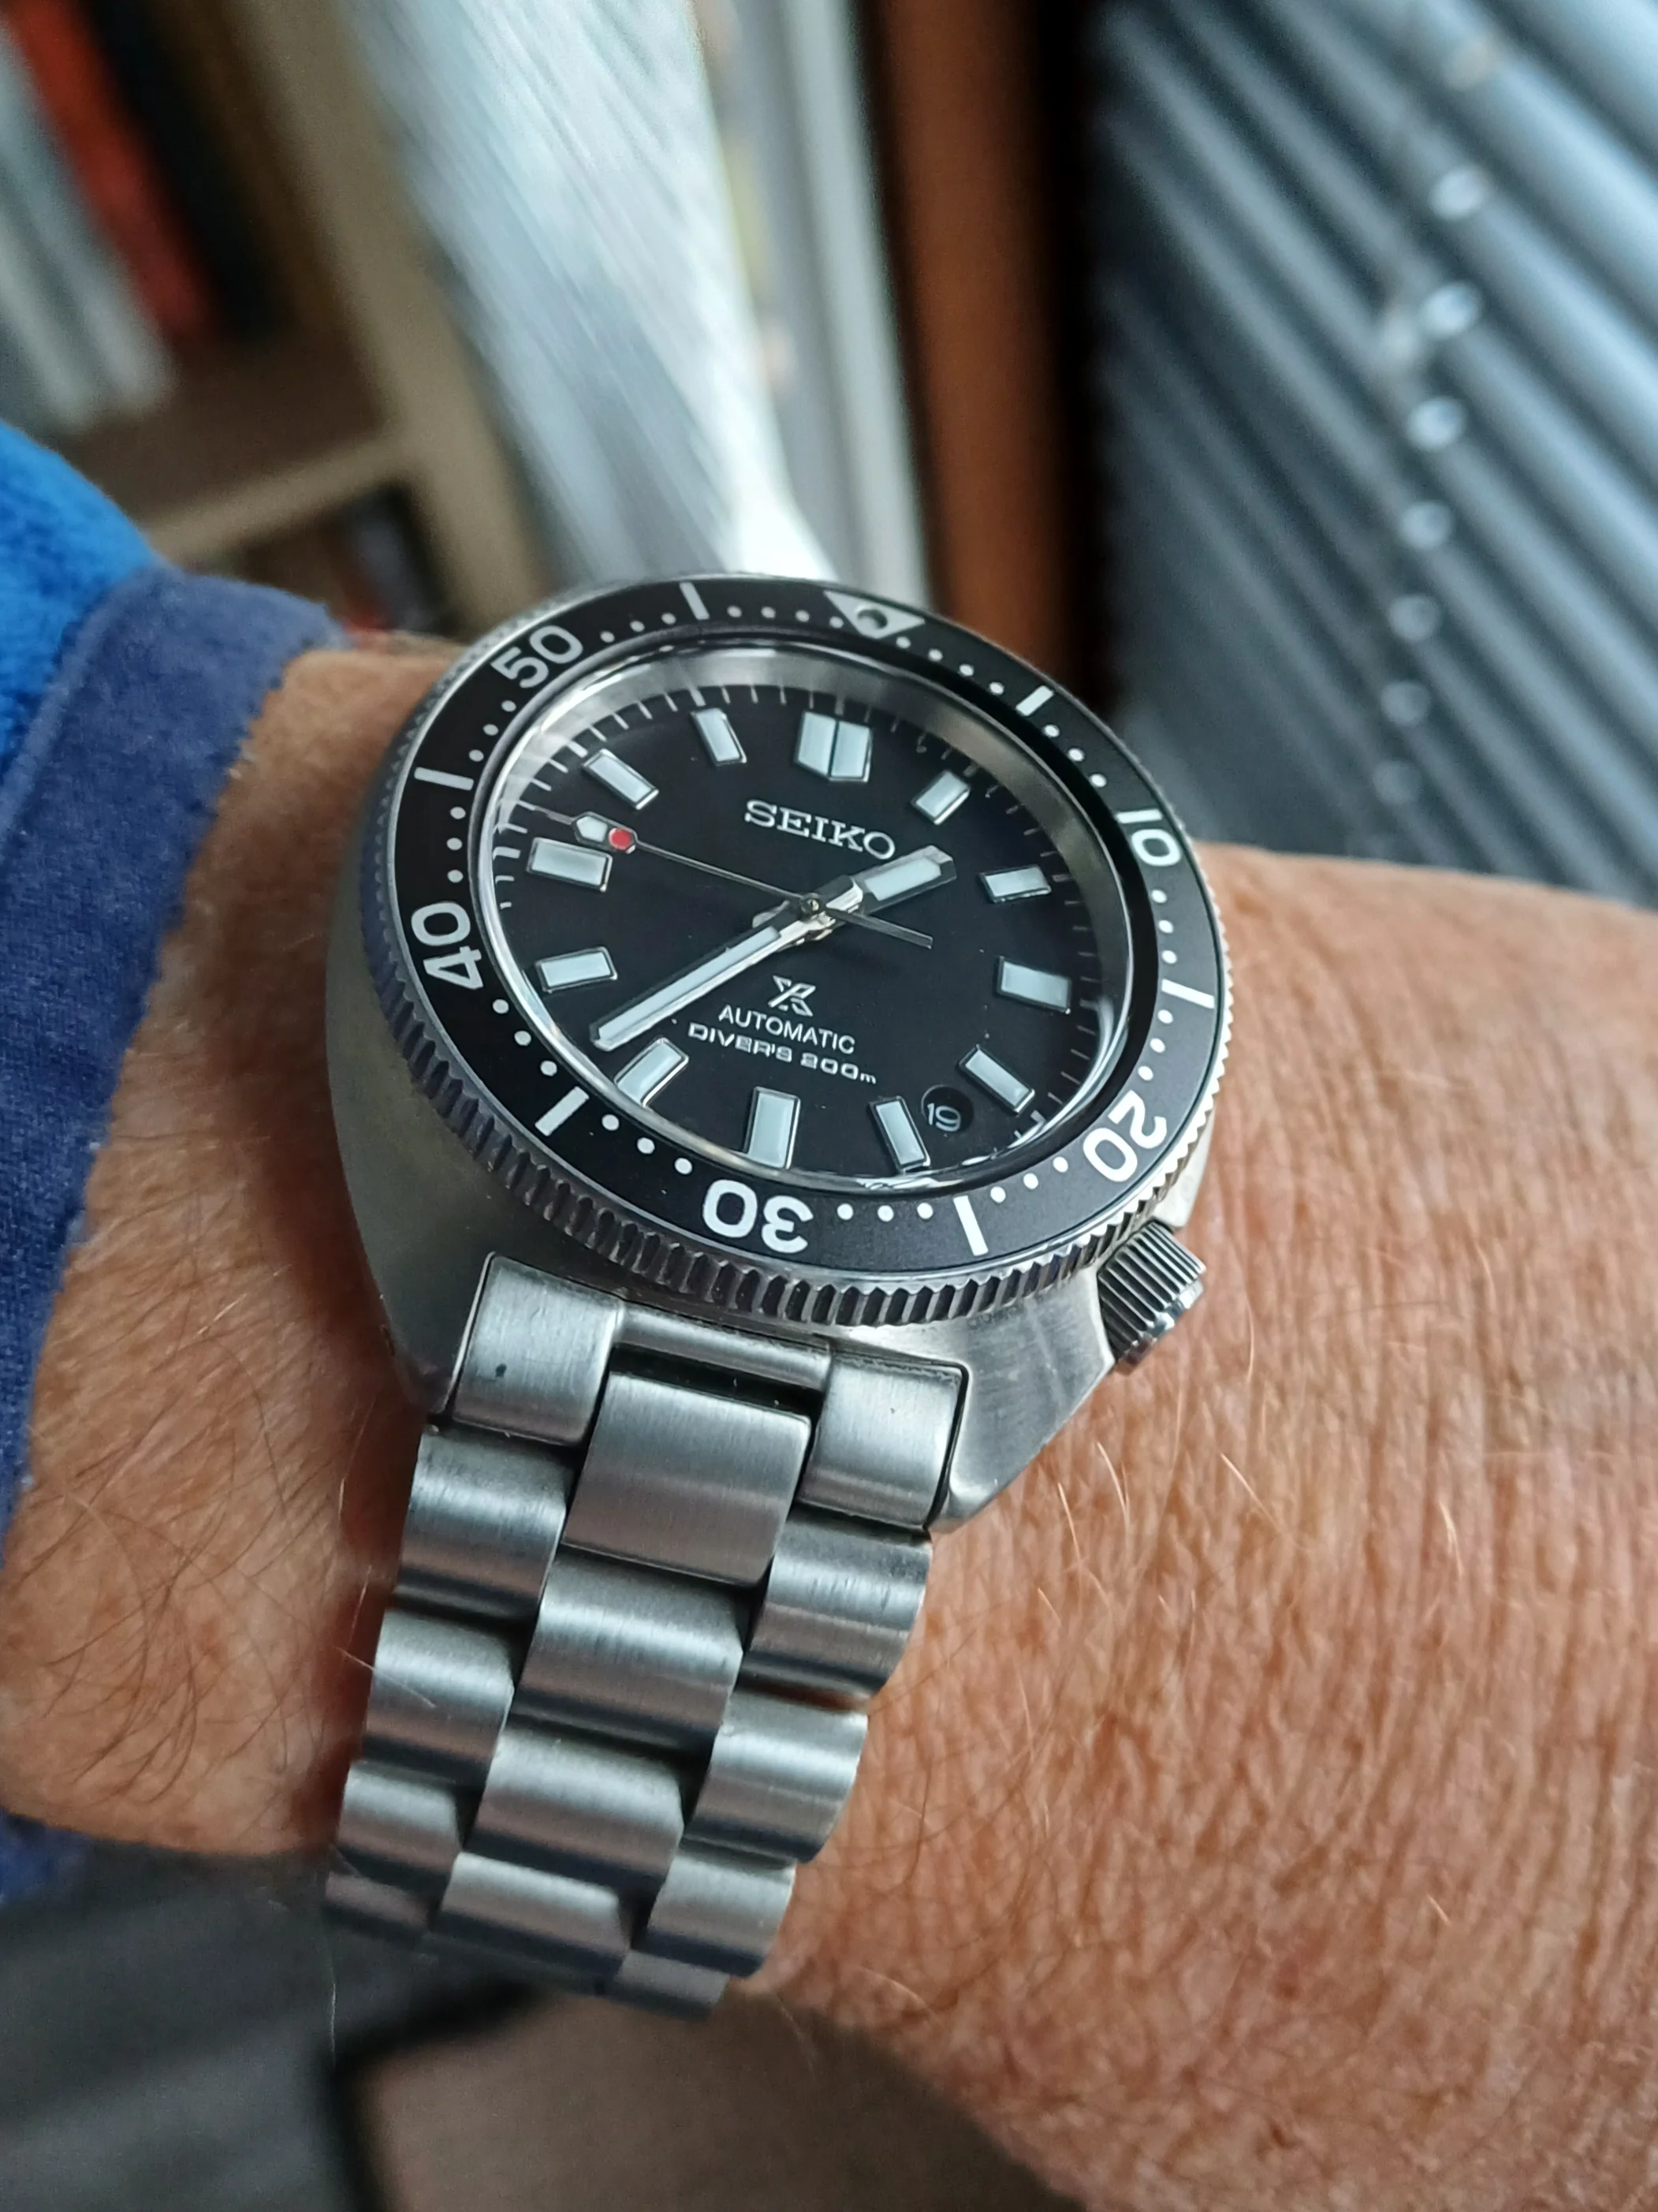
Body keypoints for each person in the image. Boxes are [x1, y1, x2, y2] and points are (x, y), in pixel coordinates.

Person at [1, 421, 1656, 2212]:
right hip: (519, 1208)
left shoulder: (1070, 1057)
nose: (813, 911)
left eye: (844, 898)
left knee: (595, 1804)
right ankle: (553, 1871)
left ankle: (558, 1874)